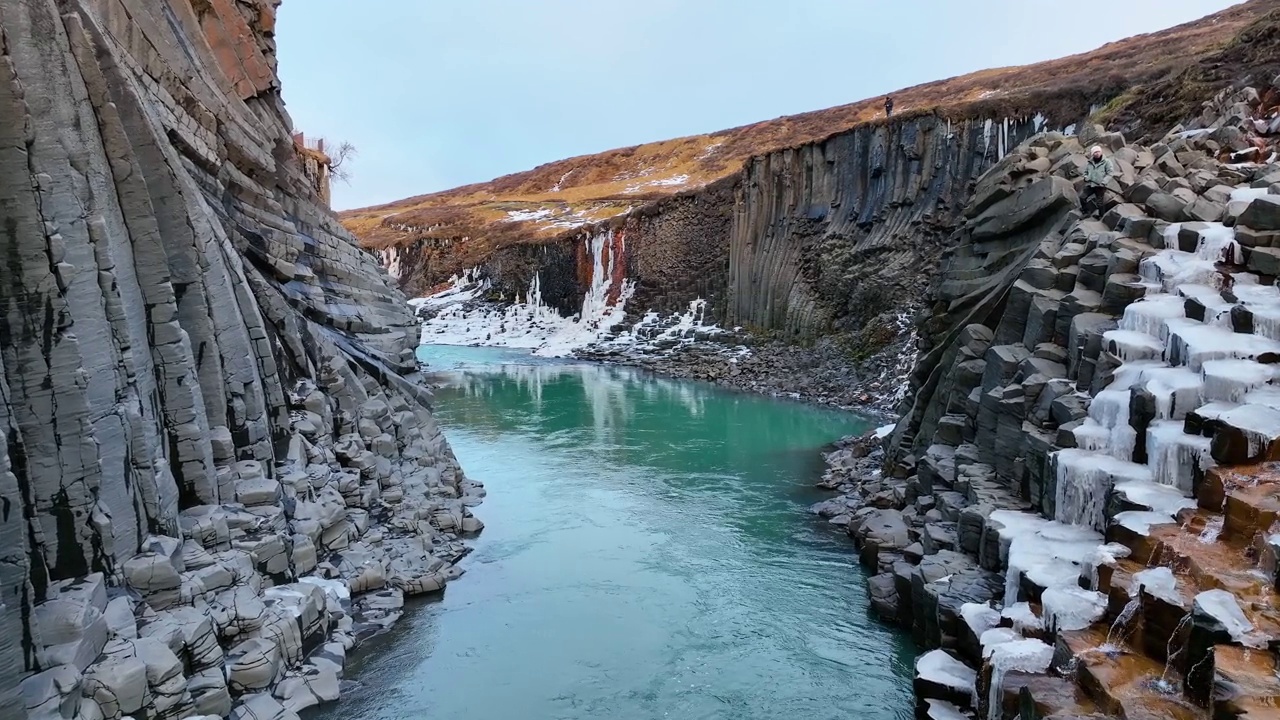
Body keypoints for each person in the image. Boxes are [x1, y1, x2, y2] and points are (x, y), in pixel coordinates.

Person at [1081, 146, 1113, 219]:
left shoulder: (1107, 162)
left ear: (1101, 152)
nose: (1097, 153)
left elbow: (1110, 173)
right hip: (1090, 184)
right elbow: (1085, 172)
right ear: (1092, 154)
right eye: (1095, 152)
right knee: (1082, 197)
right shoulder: (1090, 162)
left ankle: (1101, 216)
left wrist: (1104, 182)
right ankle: (1086, 212)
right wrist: (1085, 177)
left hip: (1100, 186)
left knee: (1099, 202)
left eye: (1098, 151)